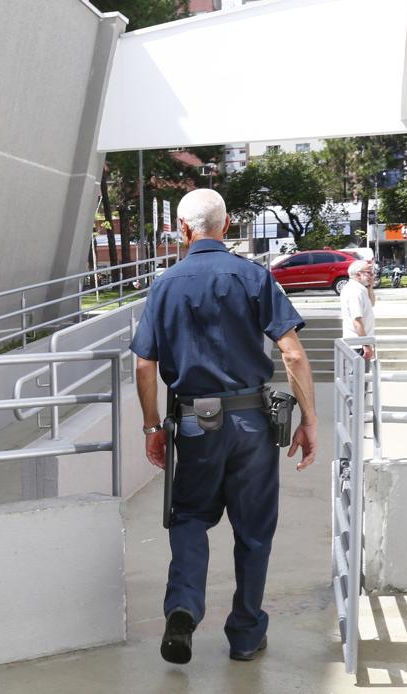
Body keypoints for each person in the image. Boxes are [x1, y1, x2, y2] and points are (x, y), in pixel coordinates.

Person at [130, 188, 318, 665]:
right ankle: (245, 633)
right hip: (252, 423)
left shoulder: (165, 284)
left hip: (194, 422)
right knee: (253, 530)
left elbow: (144, 366)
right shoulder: (253, 276)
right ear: (227, 225)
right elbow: (291, 352)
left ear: (183, 229)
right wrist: (309, 419)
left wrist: (153, 425)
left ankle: (183, 609)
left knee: (190, 517)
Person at [340, 259, 376, 359]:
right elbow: (357, 321)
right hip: (358, 344)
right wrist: (366, 345)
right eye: (369, 272)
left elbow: (371, 303)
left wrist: (370, 287)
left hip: (361, 342)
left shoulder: (360, 289)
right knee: (356, 373)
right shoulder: (354, 292)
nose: (372, 276)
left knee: (361, 373)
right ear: (358, 275)